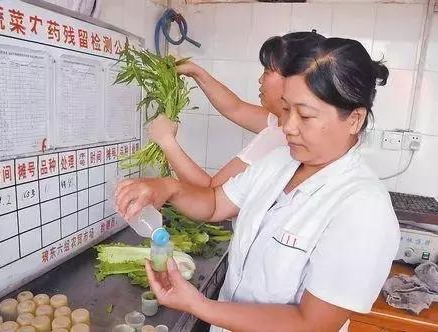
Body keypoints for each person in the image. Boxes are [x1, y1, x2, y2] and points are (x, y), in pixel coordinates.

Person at [115, 37, 400, 332]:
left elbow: (312, 324)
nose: (288, 126)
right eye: (286, 109)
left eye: (305, 115)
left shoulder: (364, 208)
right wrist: (168, 188)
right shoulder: (280, 162)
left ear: (354, 119)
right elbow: (214, 204)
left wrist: (198, 305)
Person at [147, 32, 325, 187]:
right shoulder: (285, 124)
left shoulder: (281, 140)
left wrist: (167, 142)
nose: (260, 80)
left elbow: (211, 193)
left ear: (294, 79)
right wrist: (196, 72)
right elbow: (235, 108)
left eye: (267, 72)